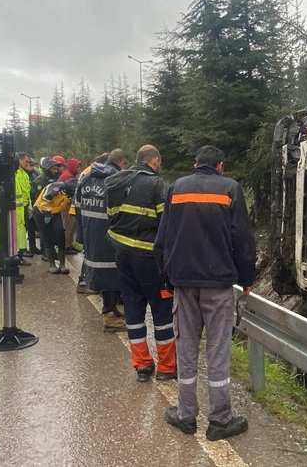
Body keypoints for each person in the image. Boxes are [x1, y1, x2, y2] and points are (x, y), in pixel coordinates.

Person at [154, 145, 256, 441]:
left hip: (184, 283)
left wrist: (167, 278)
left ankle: (186, 416)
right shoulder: (231, 189)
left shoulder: (177, 188)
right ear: (220, 166)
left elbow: (163, 237)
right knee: (217, 349)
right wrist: (246, 277)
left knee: (186, 347)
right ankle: (220, 420)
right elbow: (243, 239)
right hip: (218, 283)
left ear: (195, 164)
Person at [105, 145, 176, 382]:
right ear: (154, 161)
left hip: (123, 256)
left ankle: (142, 365)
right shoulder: (155, 184)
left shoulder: (115, 183)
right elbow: (167, 224)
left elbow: (111, 216)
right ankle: (166, 367)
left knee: (133, 310)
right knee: (162, 309)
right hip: (149, 259)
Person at [76, 149, 130, 331]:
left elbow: (77, 206)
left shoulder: (86, 176)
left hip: (90, 231)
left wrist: (81, 234)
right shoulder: (117, 179)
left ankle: (111, 309)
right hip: (110, 234)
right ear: (121, 164)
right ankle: (109, 315)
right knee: (114, 273)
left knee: (100, 272)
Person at [59, 158, 82, 254]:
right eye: (78, 167)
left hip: (68, 203)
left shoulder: (69, 175)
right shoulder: (68, 176)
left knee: (71, 225)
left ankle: (70, 244)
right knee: (68, 225)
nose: (79, 169)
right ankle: (66, 246)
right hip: (66, 204)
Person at [14, 152, 33, 265]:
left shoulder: (24, 174)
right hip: (17, 208)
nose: (28, 164)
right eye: (26, 161)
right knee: (17, 232)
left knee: (22, 232)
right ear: (19, 160)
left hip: (24, 206)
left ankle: (20, 254)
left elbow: (27, 192)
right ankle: (17, 255)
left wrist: (29, 207)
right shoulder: (16, 174)